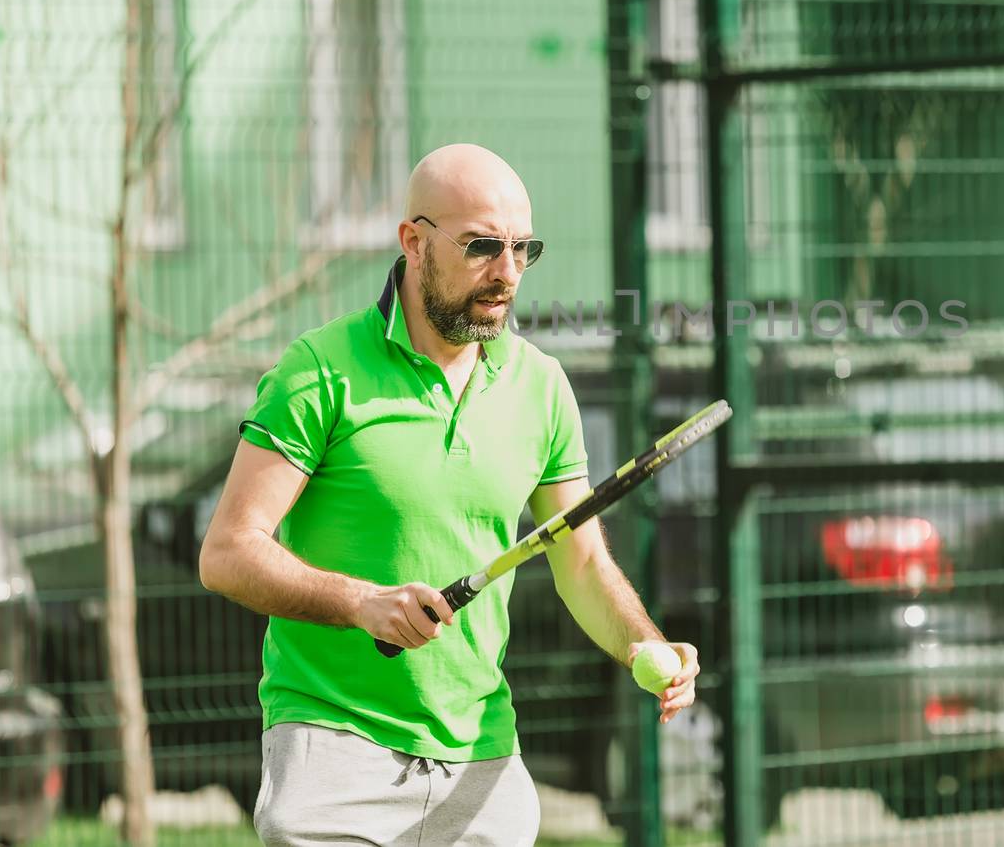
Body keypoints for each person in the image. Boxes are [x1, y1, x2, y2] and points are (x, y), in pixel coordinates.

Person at [198, 143, 699, 847]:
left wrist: (648, 645)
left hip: (482, 762)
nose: (507, 273)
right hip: (333, 751)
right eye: (482, 246)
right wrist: (361, 602)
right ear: (413, 241)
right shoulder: (319, 371)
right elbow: (227, 551)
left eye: (523, 249)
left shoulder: (541, 386)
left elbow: (582, 564)